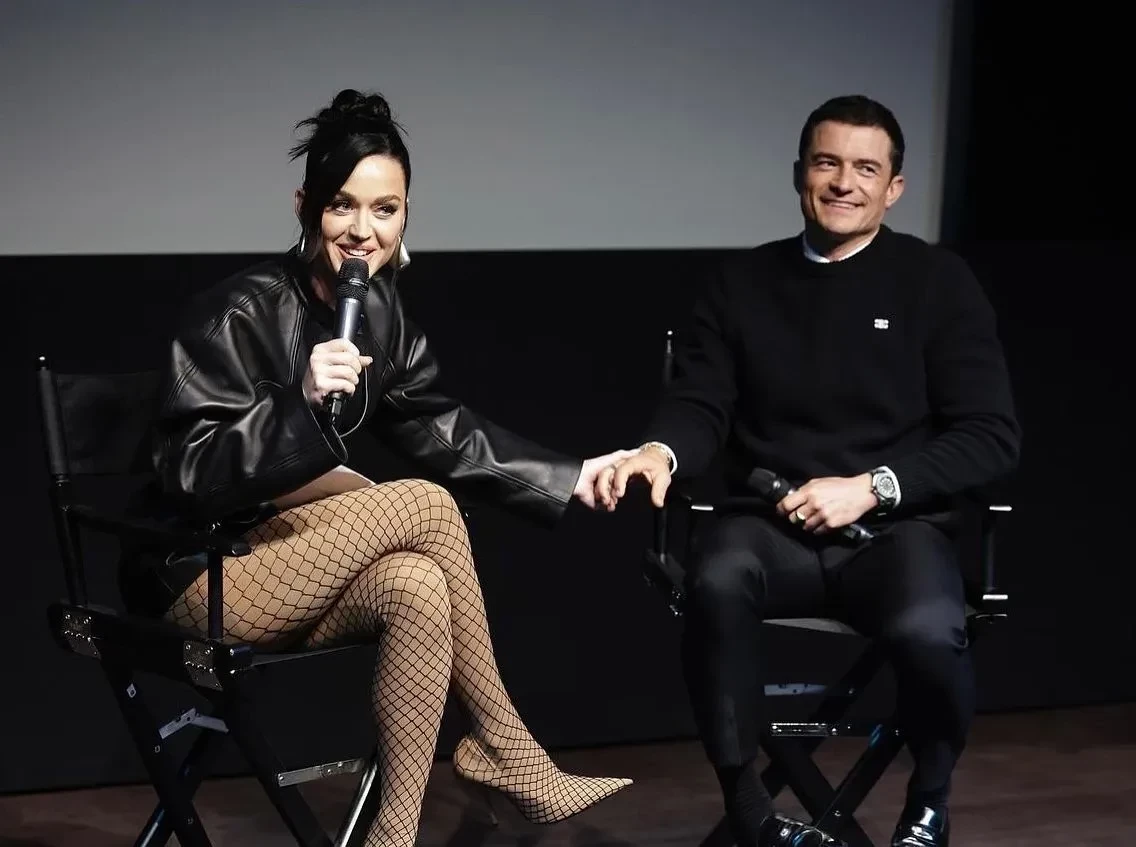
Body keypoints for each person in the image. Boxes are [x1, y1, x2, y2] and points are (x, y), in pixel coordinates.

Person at [119, 88, 635, 847]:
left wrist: (573, 472)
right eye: (342, 206)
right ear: (305, 208)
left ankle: (394, 836)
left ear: (405, 216)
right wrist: (296, 403)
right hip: (198, 573)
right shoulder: (236, 312)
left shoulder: (380, 317)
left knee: (416, 584)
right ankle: (506, 747)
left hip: (289, 564)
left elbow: (443, 430)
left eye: (384, 210)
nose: (363, 231)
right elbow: (188, 474)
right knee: (425, 505)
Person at [595, 95, 1021, 847]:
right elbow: (700, 404)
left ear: (894, 187)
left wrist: (873, 487)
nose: (844, 183)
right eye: (828, 163)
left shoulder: (938, 282)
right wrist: (659, 451)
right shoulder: (741, 282)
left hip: (893, 531)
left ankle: (928, 802)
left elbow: (991, 436)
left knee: (930, 628)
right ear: (800, 173)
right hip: (769, 525)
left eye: (866, 169)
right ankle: (751, 812)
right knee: (716, 580)